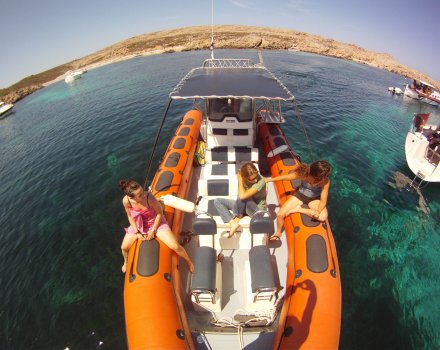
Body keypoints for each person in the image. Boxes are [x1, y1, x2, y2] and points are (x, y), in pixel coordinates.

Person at [119, 179, 194, 273]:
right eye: (140, 195)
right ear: (131, 198)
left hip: (155, 222)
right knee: (123, 248)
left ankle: (189, 262)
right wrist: (137, 231)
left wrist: (153, 230)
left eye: (143, 191)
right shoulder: (126, 201)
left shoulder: (149, 198)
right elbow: (130, 216)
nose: (144, 194)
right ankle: (126, 262)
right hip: (139, 224)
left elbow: (160, 213)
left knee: (175, 246)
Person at [266, 160, 331, 241]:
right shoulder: (303, 173)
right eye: (316, 179)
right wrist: (268, 180)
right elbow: (286, 177)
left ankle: (298, 209)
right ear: (310, 173)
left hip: (314, 199)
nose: (318, 181)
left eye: (321, 179)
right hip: (300, 195)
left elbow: (323, 199)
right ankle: (278, 233)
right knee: (280, 215)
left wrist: (318, 211)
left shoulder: (325, 181)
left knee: (323, 216)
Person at [214, 162, 267, 238]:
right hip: (244, 205)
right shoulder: (243, 177)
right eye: (252, 179)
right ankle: (233, 223)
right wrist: (241, 179)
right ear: (245, 177)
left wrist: (239, 179)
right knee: (218, 201)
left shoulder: (261, 181)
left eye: (256, 176)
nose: (255, 180)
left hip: (257, 211)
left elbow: (242, 196)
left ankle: (238, 217)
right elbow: (240, 195)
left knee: (243, 197)